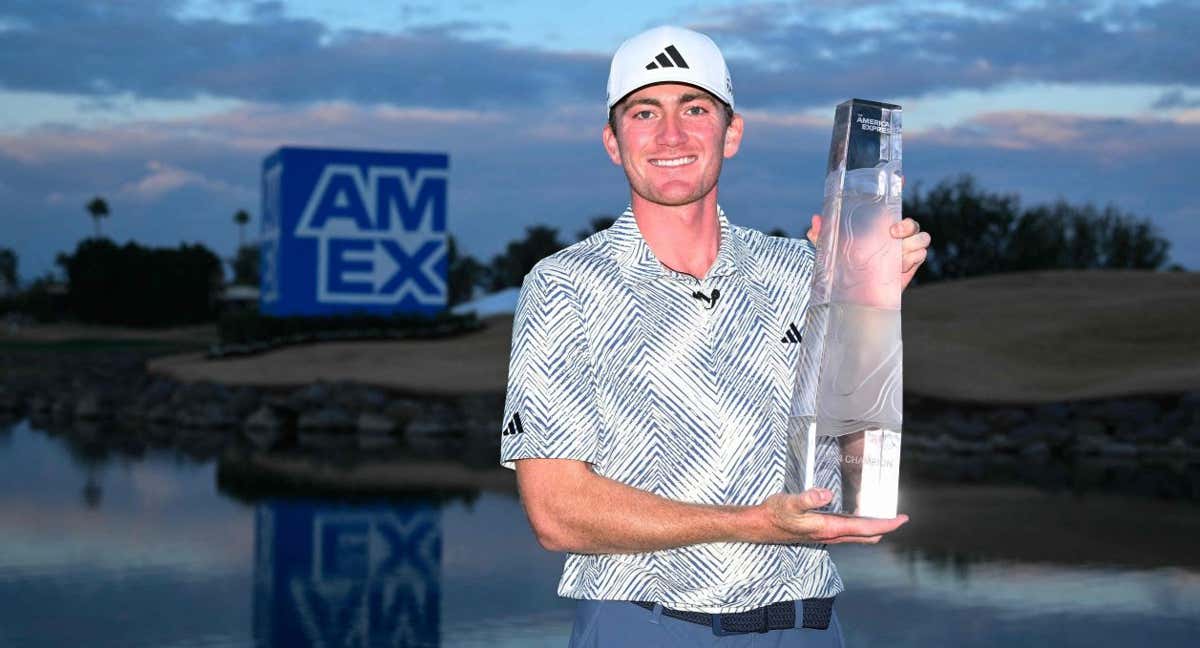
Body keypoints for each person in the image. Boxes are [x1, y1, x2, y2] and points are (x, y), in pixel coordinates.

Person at [500, 25, 932, 647]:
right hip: (646, 628)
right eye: (644, 112)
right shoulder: (565, 286)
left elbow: (845, 450)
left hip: (809, 627)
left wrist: (869, 306)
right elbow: (557, 512)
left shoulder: (800, 273)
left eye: (694, 109)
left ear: (731, 134)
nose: (670, 135)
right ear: (613, 142)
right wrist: (754, 524)